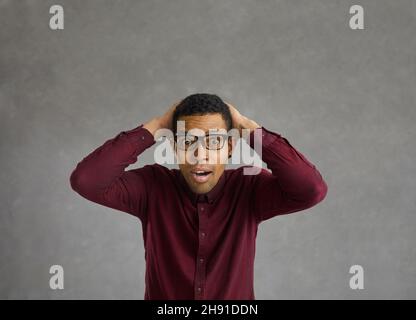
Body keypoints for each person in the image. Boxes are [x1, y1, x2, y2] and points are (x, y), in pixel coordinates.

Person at [70, 93, 328, 300]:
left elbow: (311, 189)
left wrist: (249, 128)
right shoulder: (152, 187)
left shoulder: (249, 189)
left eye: (214, 142)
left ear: (229, 148)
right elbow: (87, 180)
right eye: (187, 142)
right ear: (173, 148)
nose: (199, 154)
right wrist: (157, 126)